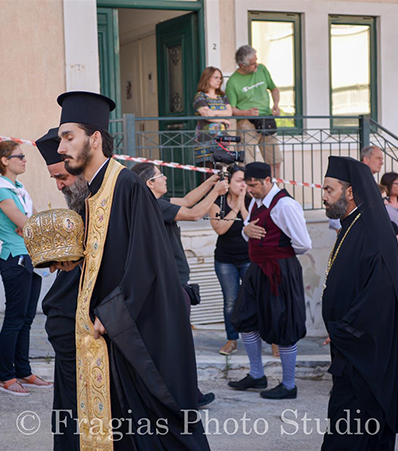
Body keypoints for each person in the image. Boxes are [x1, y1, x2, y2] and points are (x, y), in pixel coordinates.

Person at [53, 91, 209, 450]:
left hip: (132, 327)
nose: (61, 148)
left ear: (94, 139)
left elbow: (148, 261)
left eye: (68, 137)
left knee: (152, 428)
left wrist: (112, 315)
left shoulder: (126, 185)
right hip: (108, 331)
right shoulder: (92, 193)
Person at [320, 156, 398, 450]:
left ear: (349, 192)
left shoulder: (374, 233)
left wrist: (344, 329)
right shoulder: (350, 226)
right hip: (349, 348)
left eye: (329, 190)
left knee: (352, 433)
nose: (323, 197)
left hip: (364, 358)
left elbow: (379, 298)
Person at [131, 162, 227, 408]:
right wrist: (216, 194)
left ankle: (185, 392)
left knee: (175, 341)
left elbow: (186, 200)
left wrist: (211, 181)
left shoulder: (152, 203)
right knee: (179, 342)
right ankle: (186, 394)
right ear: (150, 183)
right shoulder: (155, 206)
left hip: (173, 281)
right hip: (171, 283)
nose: (165, 178)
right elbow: (195, 214)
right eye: (160, 175)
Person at [227, 162, 312, 400]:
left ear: (267, 180)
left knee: (284, 324)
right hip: (257, 270)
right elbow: (249, 227)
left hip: (280, 271)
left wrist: (278, 251)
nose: (249, 190)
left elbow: (304, 243)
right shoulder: (256, 201)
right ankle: (257, 375)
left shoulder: (285, 205)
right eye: (247, 185)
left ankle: (288, 384)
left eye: (253, 185)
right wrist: (246, 232)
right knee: (244, 318)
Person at [36, 127, 88, 450]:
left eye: (62, 176)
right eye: (54, 178)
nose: (59, 185)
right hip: (68, 324)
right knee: (71, 409)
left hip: (82, 325)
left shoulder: (109, 199)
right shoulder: (80, 205)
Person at [0, 141, 51, 396]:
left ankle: (23, 370)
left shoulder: (19, 188)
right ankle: (6, 377)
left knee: (26, 318)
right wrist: (31, 225)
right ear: (4, 160)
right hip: (15, 259)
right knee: (14, 319)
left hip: (29, 257)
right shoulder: (2, 190)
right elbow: (27, 223)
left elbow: (37, 223)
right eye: (19, 156)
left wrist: (31, 226)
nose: (24, 160)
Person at [208, 166, 250, 356]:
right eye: (238, 180)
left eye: (245, 181)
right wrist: (235, 207)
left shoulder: (252, 200)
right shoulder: (218, 202)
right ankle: (232, 340)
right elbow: (220, 229)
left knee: (255, 299)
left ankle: (269, 339)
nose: (243, 184)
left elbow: (252, 225)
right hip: (226, 260)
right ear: (228, 183)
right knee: (231, 301)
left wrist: (242, 205)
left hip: (250, 258)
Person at [225, 45, 282, 178]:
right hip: (247, 123)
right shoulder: (233, 82)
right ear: (241, 65)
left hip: (266, 120)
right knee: (247, 164)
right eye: (252, 64)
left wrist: (276, 105)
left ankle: (274, 195)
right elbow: (231, 109)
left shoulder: (262, 69)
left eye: (256, 61)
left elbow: (274, 89)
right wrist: (246, 112)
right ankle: (249, 195)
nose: (256, 65)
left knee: (275, 161)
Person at [328, 145, 384, 234]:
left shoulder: (372, 181)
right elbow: (337, 202)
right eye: (378, 158)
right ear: (366, 159)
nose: (381, 162)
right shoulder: (353, 179)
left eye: (382, 159)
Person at [194, 67, 232, 168]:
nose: (219, 80)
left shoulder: (222, 96)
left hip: (222, 139)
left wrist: (213, 112)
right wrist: (222, 119)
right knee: (208, 171)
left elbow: (229, 112)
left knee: (222, 170)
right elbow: (206, 115)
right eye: (216, 77)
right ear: (207, 78)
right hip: (205, 139)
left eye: (220, 78)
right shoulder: (200, 96)